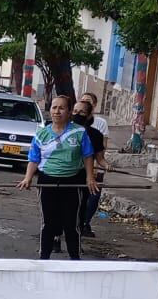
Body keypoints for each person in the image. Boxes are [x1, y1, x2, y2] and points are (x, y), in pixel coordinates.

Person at [16, 96, 99, 260]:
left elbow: (88, 155)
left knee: (71, 224)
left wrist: (90, 178)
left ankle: (75, 260)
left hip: (72, 183)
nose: (57, 111)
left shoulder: (79, 132)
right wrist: (28, 178)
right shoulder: (42, 133)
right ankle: (44, 259)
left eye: (61, 108)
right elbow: (34, 158)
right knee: (48, 223)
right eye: (54, 108)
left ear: (69, 112)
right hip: (47, 182)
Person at [72, 99, 107, 236]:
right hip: (62, 174)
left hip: (83, 176)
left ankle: (77, 235)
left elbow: (97, 158)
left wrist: (106, 166)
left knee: (79, 208)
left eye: (81, 112)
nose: (77, 115)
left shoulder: (95, 135)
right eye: (75, 111)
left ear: (88, 115)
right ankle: (56, 237)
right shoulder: (62, 130)